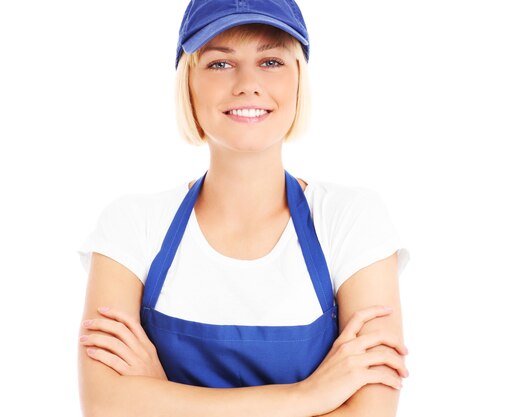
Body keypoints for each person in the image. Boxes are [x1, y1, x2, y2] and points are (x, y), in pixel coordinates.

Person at [76, 1, 411, 416]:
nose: (248, 83)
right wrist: (307, 396)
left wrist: (158, 396)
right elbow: (104, 406)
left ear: (298, 82)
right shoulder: (132, 225)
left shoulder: (351, 220)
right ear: (189, 84)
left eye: (270, 61)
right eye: (220, 64)